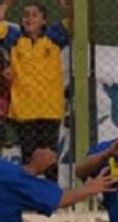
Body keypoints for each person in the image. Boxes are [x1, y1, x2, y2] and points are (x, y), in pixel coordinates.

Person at [0, 0, 70, 181]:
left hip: (49, 110)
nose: (29, 19)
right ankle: (29, 198)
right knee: (28, 158)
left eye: (34, 15)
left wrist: (67, 6)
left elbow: (75, 23)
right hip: (24, 110)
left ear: (44, 20)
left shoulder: (54, 37)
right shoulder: (14, 38)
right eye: (25, 15)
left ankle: (52, 199)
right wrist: (5, 6)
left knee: (49, 157)